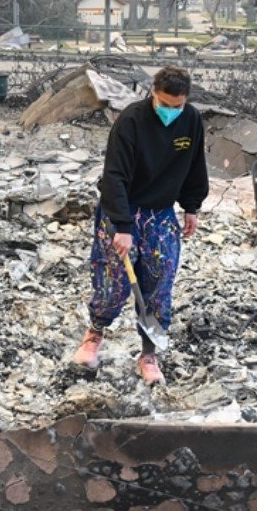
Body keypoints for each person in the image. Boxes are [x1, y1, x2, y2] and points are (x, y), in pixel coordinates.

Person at [74, 66, 208, 384]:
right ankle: (94, 335)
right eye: (165, 103)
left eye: (177, 106)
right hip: (122, 210)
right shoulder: (131, 121)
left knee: (159, 285)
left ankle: (148, 354)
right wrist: (122, 226)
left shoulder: (190, 121)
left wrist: (191, 207)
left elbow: (194, 166)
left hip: (160, 213)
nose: (171, 111)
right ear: (153, 93)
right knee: (115, 282)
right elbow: (115, 176)